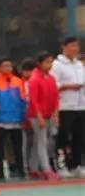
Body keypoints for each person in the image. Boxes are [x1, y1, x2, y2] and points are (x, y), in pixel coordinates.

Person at [51, 36, 85, 177]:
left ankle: (76, 165)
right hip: (64, 106)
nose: (75, 49)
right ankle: (61, 166)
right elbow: (54, 85)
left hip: (80, 105)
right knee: (63, 137)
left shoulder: (79, 64)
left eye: (76, 46)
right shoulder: (57, 64)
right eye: (72, 46)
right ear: (63, 47)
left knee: (80, 136)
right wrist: (69, 86)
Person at [0, 58, 27, 180]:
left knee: (18, 147)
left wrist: (23, 118)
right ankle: (0, 173)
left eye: (9, 66)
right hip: (1, 120)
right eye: (4, 66)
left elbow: (23, 101)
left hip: (16, 120)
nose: (7, 68)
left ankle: (21, 170)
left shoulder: (18, 81)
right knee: (0, 149)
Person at [28, 52, 60, 180]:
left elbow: (55, 97)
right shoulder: (34, 79)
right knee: (42, 142)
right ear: (39, 64)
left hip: (48, 114)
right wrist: (39, 117)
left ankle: (33, 168)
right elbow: (33, 101)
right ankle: (46, 169)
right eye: (47, 62)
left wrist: (55, 114)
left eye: (51, 61)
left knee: (38, 142)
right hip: (36, 115)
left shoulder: (51, 78)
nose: (50, 64)